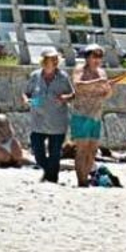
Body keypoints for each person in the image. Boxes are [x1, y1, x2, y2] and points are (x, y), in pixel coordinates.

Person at [24, 47, 74, 183]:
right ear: (43, 61)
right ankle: (48, 171)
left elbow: (73, 94)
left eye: (54, 59)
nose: (52, 62)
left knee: (55, 154)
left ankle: (52, 178)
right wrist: (26, 99)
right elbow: (26, 93)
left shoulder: (63, 77)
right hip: (38, 121)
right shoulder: (35, 76)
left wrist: (65, 98)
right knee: (38, 153)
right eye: (49, 59)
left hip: (57, 121)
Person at [69, 44, 114, 187]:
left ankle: (86, 178)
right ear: (87, 57)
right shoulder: (79, 69)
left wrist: (108, 89)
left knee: (93, 149)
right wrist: (97, 83)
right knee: (82, 149)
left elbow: (107, 93)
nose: (97, 59)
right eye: (94, 56)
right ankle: (81, 181)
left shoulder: (102, 72)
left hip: (96, 115)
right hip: (81, 114)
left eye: (100, 56)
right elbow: (78, 85)